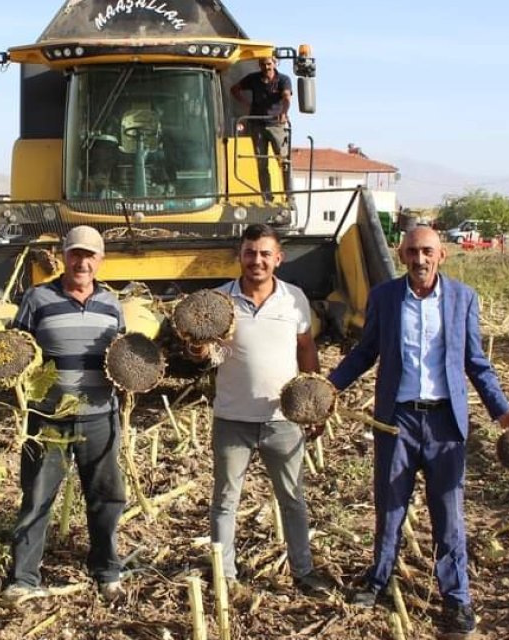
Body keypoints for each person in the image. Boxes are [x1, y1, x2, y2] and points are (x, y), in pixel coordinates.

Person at [327, 227, 509, 637]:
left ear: (443, 255)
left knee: (449, 515)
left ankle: (456, 600)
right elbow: (366, 352)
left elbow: (476, 362)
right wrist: (330, 386)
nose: (420, 259)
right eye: (413, 251)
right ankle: (378, 582)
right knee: (389, 507)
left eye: (428, 251)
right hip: (395, 421)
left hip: (445, 425)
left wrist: (501, 411)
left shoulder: (462, 298)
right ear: (401, 255)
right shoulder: (384, 297)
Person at [203, 223, 333, 596]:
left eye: (264, 254)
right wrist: (202, 352)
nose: (256, 260)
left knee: (292, 498)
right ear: (239, 256)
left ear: (278, 258)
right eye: (249, 252)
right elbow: (215, 355)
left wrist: (315, 403)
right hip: (232, 419)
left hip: (283, 420)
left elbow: (306, 349)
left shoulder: (294, 299)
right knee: (225, 500)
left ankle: (303, 571)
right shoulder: (219, 301)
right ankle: (224, 575)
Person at [2, 225, 127, 604]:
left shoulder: (112, 305)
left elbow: (122, 359)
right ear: (63, 255)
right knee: (37, 497)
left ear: (100, 260)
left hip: (99, 416)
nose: (82, 262)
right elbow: (16, 352)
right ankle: (23, 577)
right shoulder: (37, 299)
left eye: (90, 255)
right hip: (48, 419)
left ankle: (106, 569)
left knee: (105, 497)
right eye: (76, 253)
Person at [231, 57, 293, 202]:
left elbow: (286, 97)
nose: (266, 67)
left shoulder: (284, 80)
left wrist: (284, 113)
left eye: (269, 64)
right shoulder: (253, 79)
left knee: (284, 161)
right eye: (263, 64)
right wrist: (246, 104)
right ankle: (267, 196)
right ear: (259, 65)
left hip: (276, 125)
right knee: (261, 163)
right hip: (257, 125)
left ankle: (289, 195)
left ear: (275, 63)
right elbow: (234, 89)